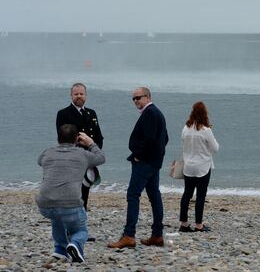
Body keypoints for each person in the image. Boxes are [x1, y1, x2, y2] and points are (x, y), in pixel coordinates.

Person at [108, 87, 169, 249]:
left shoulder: (150, 113)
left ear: (148, 97)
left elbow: (150, 139)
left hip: (145, 163)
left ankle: (129, 235)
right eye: (133, 99)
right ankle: (157, 235)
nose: (135, 101)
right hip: (154, 163)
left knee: (133, 195)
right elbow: (165, 138)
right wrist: (156, 156)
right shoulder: (157, 113)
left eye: (138, 98)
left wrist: (139, 155)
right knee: (154, 195)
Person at [37, 125, 106, 263]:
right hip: (70, 204)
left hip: (45, 204)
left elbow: (40, 161)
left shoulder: (47, 152)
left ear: (58, 139)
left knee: (57, 216)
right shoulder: (82, 154)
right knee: (80, 230)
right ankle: (75, 244)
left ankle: (60, 250)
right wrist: (90, 143)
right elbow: (101, 158)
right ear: (76, 139)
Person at [56, 82, 104, 211]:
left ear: (86, 96)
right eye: (76, 94)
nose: (79, 96)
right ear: (71, 95)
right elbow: (62, 138)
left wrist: (95, 152)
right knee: (74, 188)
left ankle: (82, 212)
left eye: (81, 94)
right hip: (72, 157)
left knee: (86, 186)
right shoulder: (63, 113)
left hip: (89, 156)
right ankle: (72, 213)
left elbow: (99, 136)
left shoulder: (91, 113)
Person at [179, 101, 220, 233]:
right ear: (205, 114)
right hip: (202, 166)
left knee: (187, 194)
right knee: (200, 196)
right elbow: (215, 148)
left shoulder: (186, 128)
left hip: (188, 166)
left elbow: (183, 142)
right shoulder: (206, 130)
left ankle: (184, 223)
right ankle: (198, 225)